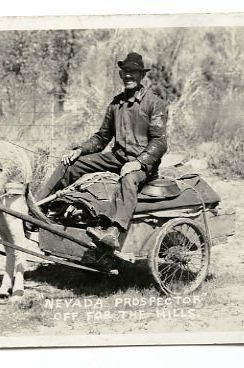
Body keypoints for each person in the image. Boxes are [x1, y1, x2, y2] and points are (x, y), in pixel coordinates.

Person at [36, 52, 168, 251]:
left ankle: (114, 231)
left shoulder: (154, 103)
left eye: (133, 72)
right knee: (71, 164)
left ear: (142, 76)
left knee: (129, 176)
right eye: (125, 72)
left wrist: (139, 163)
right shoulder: (116, 104)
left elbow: (159, 142)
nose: (128, 76)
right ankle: (37, 210)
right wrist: (80, 150)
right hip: (117, 158)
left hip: (142, 165)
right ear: (121, 75)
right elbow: (101, 137)